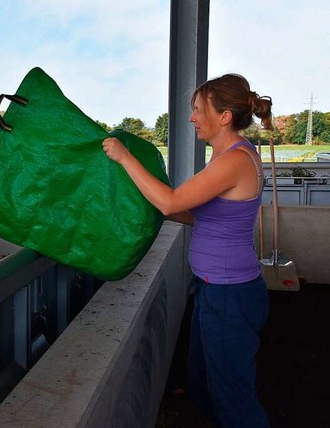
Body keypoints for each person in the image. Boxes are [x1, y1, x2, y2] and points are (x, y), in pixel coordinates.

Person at [102, 73, 271, 428]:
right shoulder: (227, 157)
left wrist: (125, 158)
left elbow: (172, 202)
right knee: (204, 382)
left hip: (230, 294)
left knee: (233, 394)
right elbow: (196, 216)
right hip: (214, 288)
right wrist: (147, 206)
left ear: (224, 116)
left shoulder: (235, 161)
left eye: (198, 109)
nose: (192, 117)